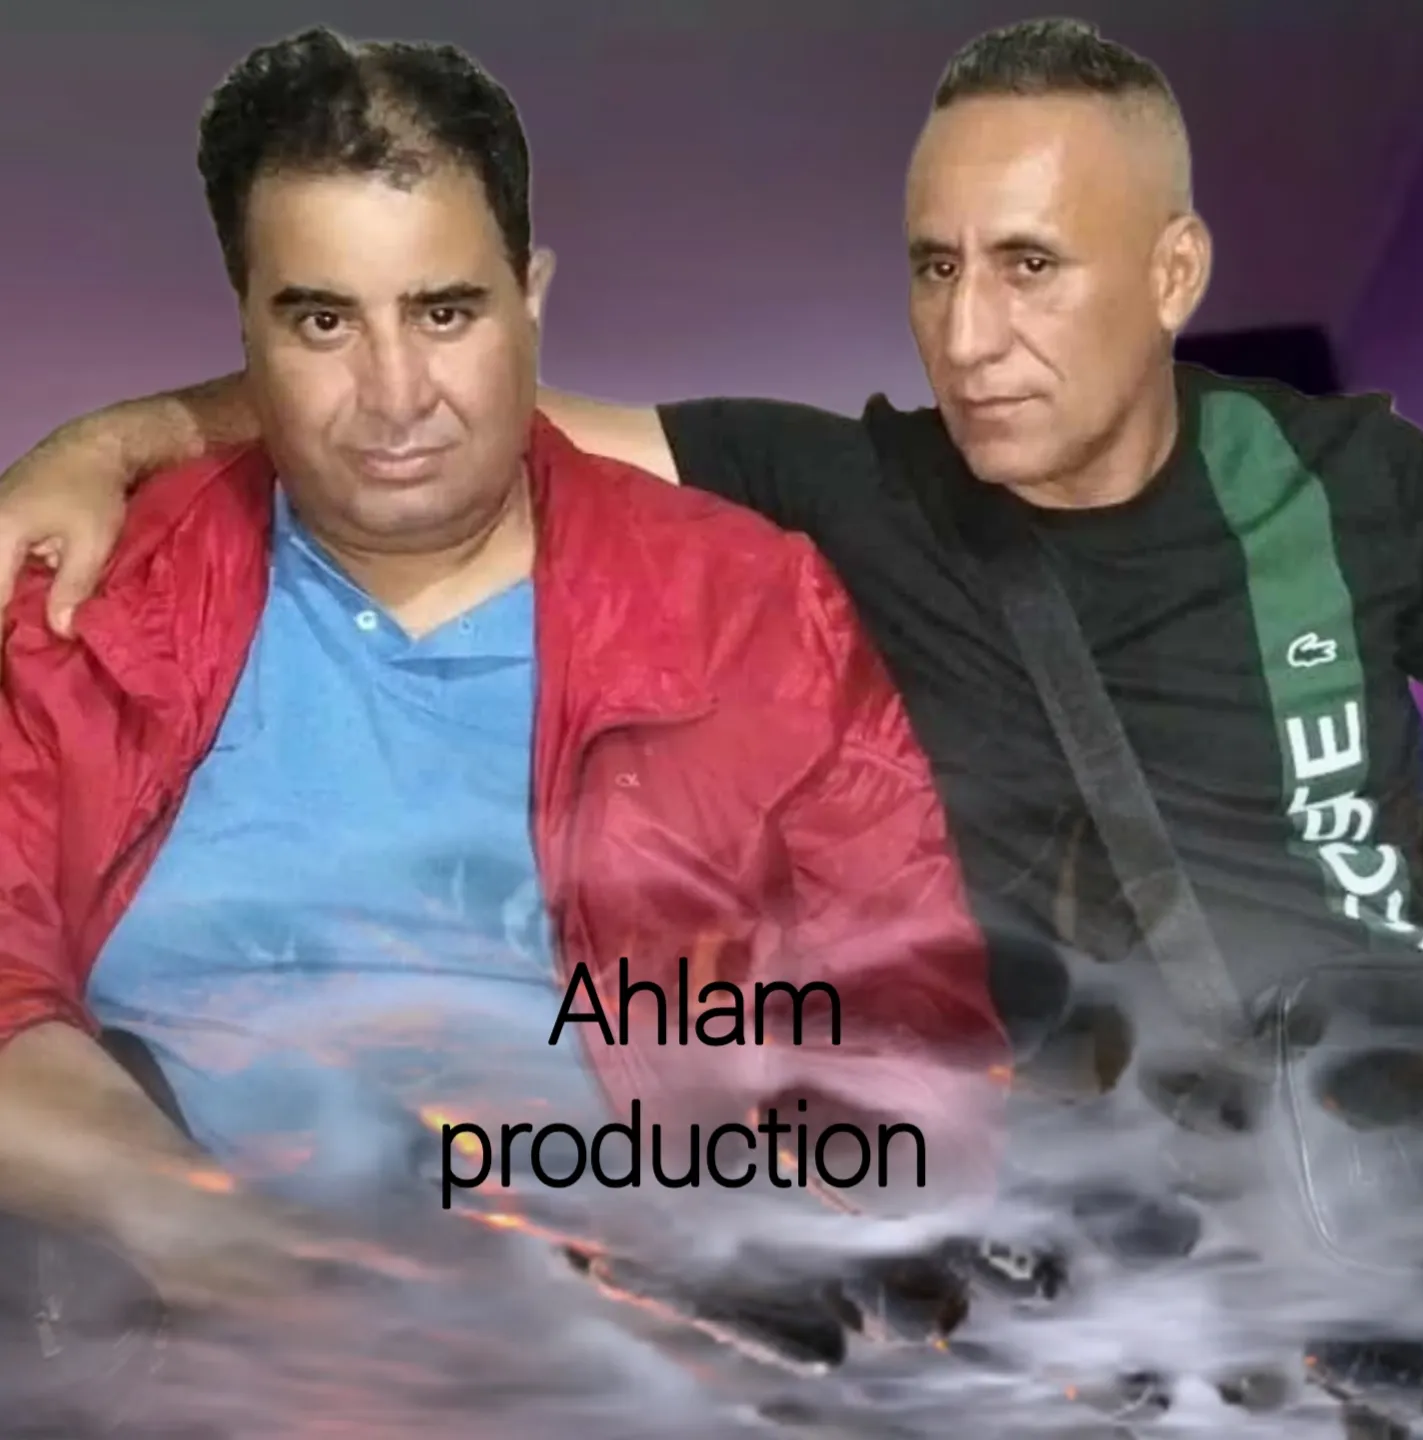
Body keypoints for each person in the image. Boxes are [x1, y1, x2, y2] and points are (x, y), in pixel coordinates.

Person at [6, 19, 1423, 1025]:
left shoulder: (1342, 481)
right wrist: (109, 444)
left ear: (1174, 272)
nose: (967, 335)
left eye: (1029, 265)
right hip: (1120, 1222)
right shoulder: (849, 486)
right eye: (935, 268)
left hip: (1392, 1133)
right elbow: (434, 403)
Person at [0, 28, 1006, 1317]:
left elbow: (919, 1041)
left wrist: (721, 1254)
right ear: (245, 326)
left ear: (530, 298)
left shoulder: (756, 610)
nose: (394, 395)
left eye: (445, 312)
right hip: (183, 1348)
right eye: (322, 320)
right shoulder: (87, 606)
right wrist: (194, 1226)